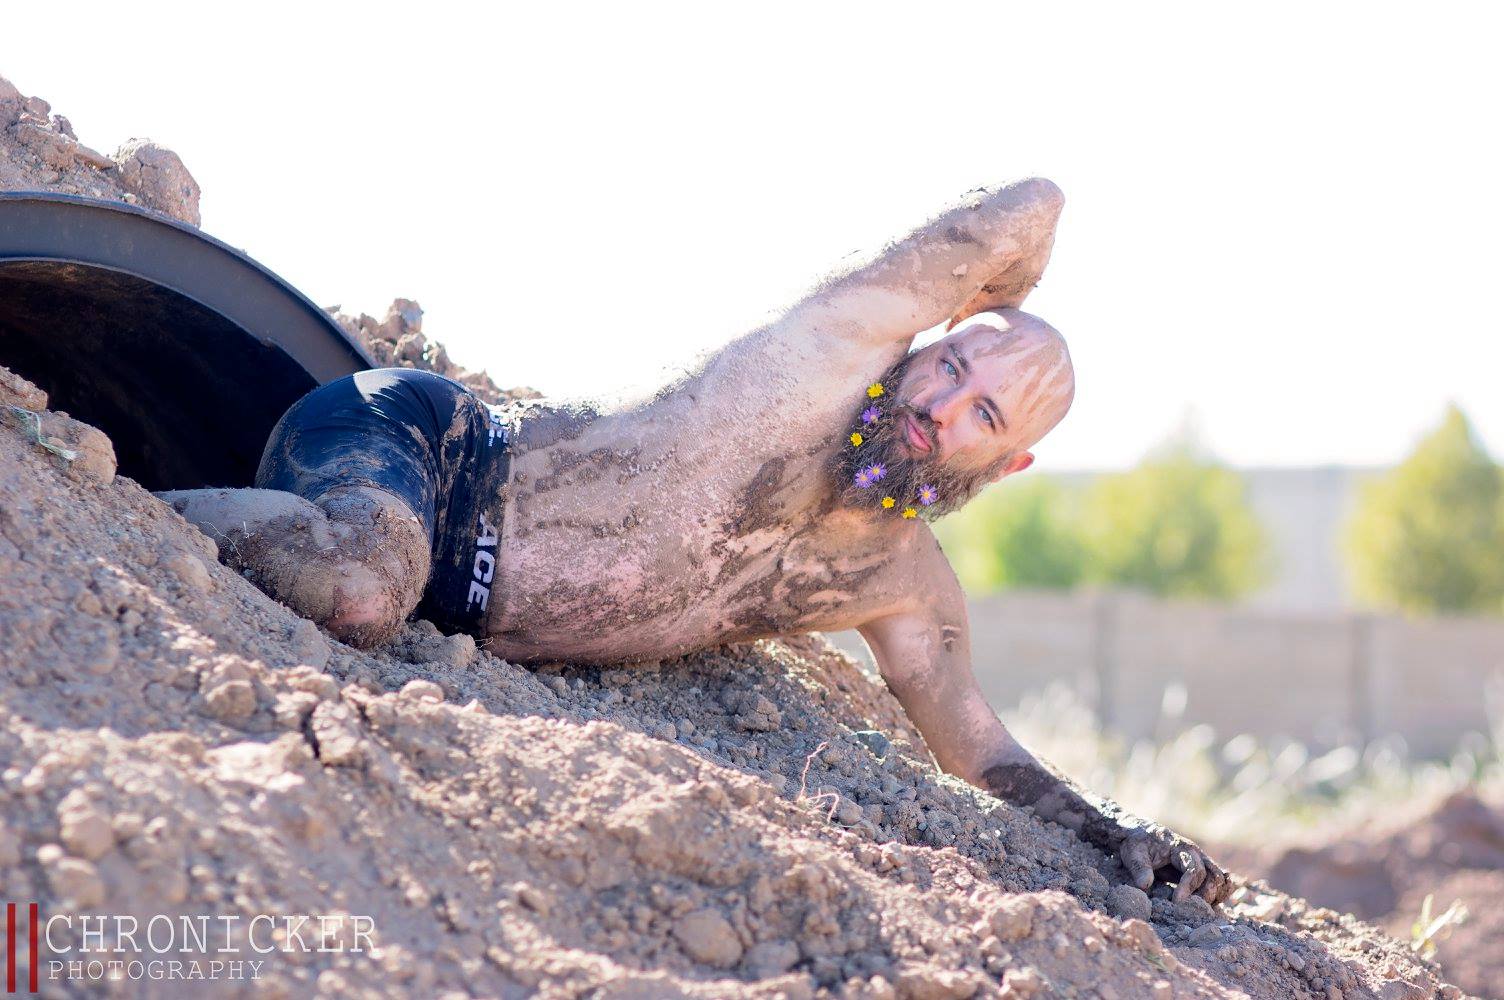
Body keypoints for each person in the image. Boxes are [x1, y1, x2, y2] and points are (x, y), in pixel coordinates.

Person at [163, 178, 1231, 905]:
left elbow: (979, 749)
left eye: (983, 414)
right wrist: (1013, 312)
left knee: (373, 588)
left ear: (1007, 466)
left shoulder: (901, 582)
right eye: (951, 366)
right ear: (924, 347)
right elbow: (1028, 204)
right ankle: (103, 495)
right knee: (360, 587)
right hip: (428, 450)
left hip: (453, 593)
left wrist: (1114, 834)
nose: (940, 407)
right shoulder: (815, 364)